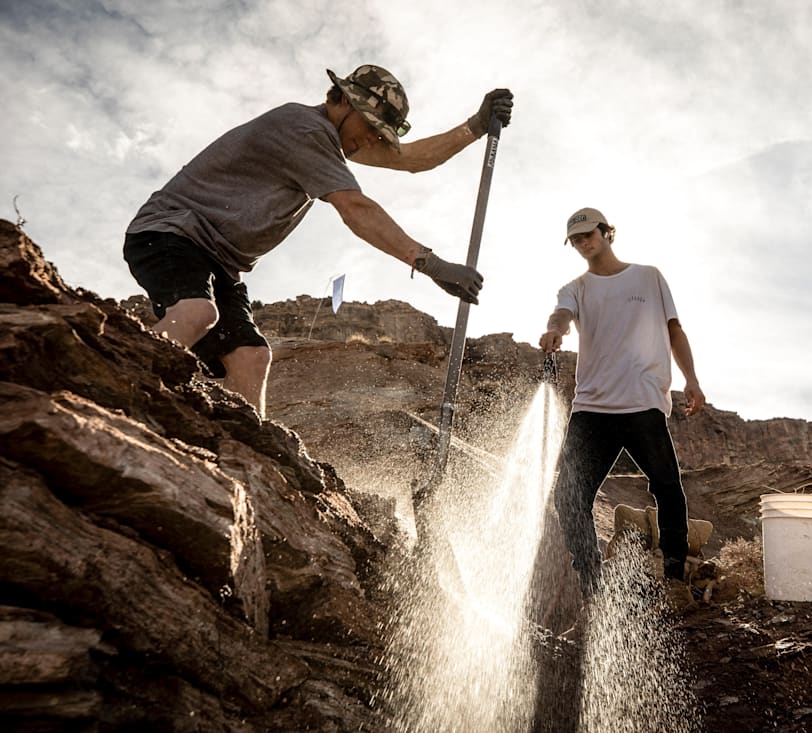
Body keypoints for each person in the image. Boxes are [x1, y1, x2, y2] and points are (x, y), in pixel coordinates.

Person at [124, 64, 513, 417]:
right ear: (341, 99)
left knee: (251, 357)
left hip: (218, 261)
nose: (372, 139)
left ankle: (243, 452)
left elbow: (410, 159)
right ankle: (117, 384)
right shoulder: (305, 129)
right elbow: (355, 209)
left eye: (381, 131)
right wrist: (430, 265)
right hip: (171, 232)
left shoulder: (337, 135)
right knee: (196, 313)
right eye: (371, 126)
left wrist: (475, 126)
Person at [539, 207, 705, 603]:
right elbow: (562, 313)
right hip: (592, 409)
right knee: (568, 496)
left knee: (666, 486)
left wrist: (692, 379)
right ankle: (593, 584)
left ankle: (675, 578)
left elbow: (674, 330)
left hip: (641, 401)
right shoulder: (576, 287)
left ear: (606, 232)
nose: (583, 243)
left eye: (589, 234)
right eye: (576, 239)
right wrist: (554, 330)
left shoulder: (648, 277)